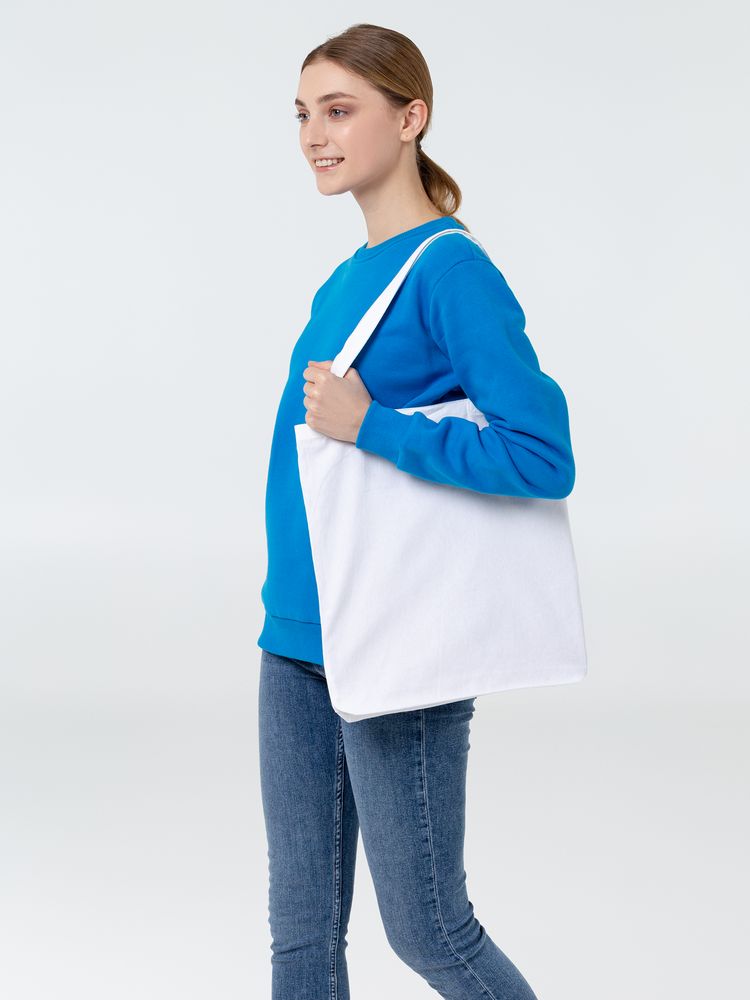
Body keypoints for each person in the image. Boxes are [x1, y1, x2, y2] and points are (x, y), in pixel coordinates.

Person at [257, 22, 576, 1000]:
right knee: (301, 942)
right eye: (302, 114)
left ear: (411, 118)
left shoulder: (449, 270)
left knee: (431, 931)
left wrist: (375, 425)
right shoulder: (346, 277)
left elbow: (542, 454)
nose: (315, 135)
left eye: (339, 110)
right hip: (296, 639)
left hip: (397, 641)